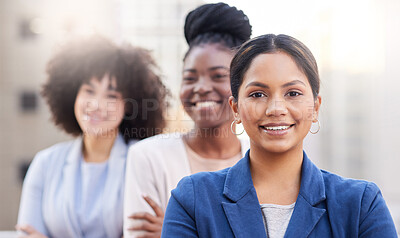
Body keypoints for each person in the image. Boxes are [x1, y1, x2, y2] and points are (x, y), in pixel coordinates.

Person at [161, 34, 398, 237]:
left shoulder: (360, 204)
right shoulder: (193, 200)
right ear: (235, 109)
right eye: (257, 94)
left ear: (315, 107)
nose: (276, 108)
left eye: (293, 93)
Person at [16, 36, 168, 238]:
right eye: (89, 91)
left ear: (130, 105)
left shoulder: (144, 161)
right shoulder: (45, 164)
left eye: (111, 96)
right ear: (73, 95)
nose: (96, 104)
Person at [123, 2, 252, 237]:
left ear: (242, 85)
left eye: (218, 76)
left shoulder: (261, 160)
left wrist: (175, 229)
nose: (201, 88)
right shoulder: (148, 157)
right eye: (190, 78)